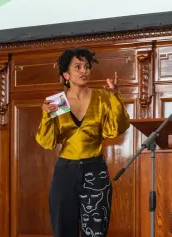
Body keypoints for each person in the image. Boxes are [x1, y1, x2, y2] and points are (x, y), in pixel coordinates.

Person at [36, 48, 131, 237]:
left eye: (86, 67)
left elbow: (117, 127)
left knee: (96, 232)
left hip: (95, 170)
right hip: (65, 172)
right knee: (64, 230)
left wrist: (115, 96)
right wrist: (46, 116)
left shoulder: (102, 97)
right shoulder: (58, 102)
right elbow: (47, 142)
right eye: (77, 67)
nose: (84, 71)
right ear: (66, 74)